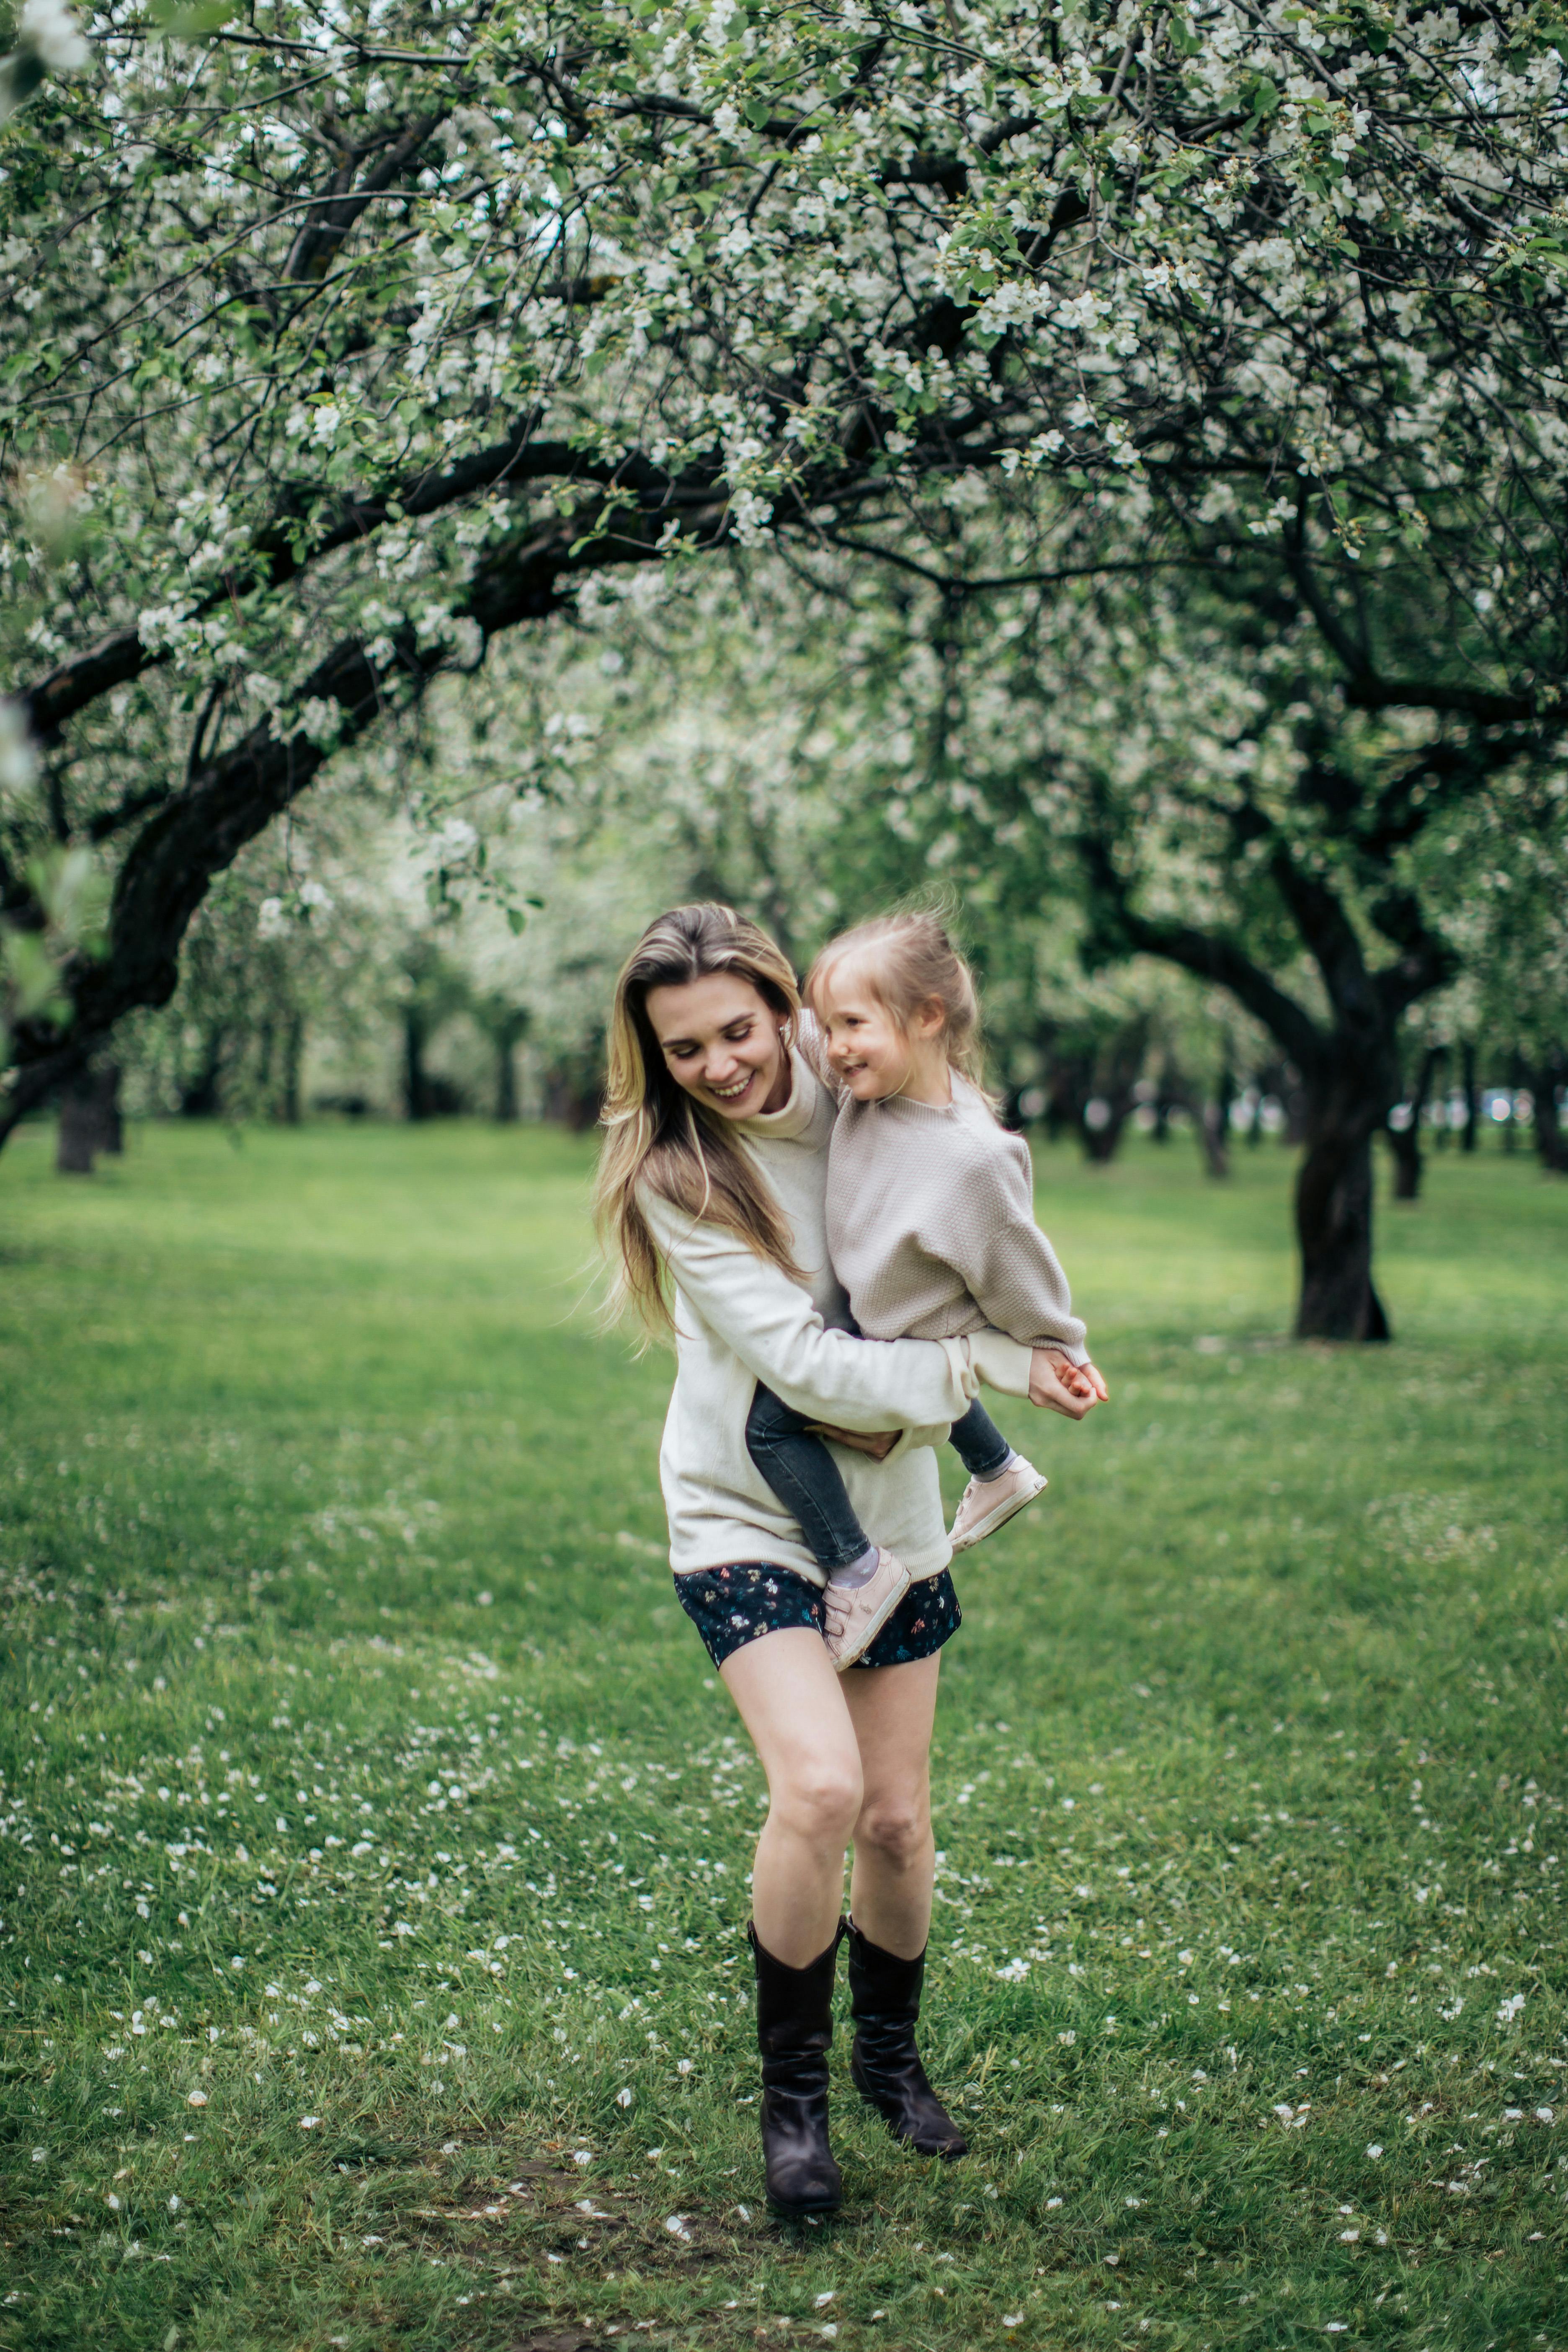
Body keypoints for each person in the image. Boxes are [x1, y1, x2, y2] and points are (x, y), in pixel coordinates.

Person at [593, 903, 1096, 2218]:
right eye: (683, 1049)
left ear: (787, 1008)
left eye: (739, 1030)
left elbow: (965, 1152)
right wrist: (996, 1366)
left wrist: (1025, 1326)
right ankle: (795, 2107)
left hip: (895, 1506)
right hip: (744, 1511)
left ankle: (890, 2059)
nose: (719, 1066)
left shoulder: (862, 1079)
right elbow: (808, 1369)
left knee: (894, 1818)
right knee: (818, 1791)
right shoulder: (679, 1174)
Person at [744, 910, 1106, 1666]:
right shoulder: (875, 1084)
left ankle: (855, 1565)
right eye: (830, 1024)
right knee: (927, 1360)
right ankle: (998, 1469)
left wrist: (1057, 1345)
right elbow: (791, 1031)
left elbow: (1019, 1261)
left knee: (770, 1429)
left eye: (853, 1024)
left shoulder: (968, 1158)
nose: (835, 1045)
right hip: (898, 1316)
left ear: (927, 1017)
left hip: (906, 1322)